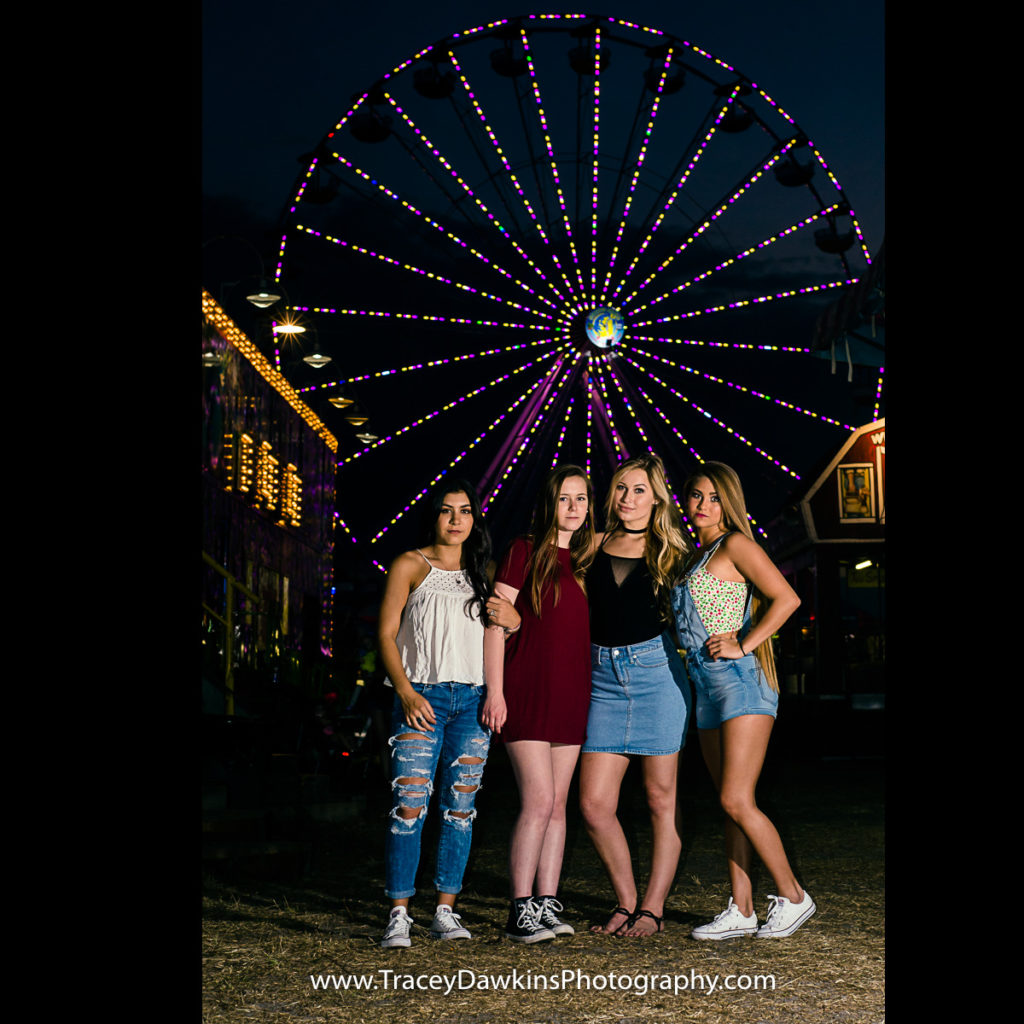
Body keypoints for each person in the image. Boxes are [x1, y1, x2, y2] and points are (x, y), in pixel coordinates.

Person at [672, 461, 814, 940]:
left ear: (728, 501)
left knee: (736, 797)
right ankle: (742, 908)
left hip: (741, 681)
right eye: (695, 495)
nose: (704, 505)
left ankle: (794, 896)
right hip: (704, 682)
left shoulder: (735, 543)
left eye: (713, 497)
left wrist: (744, 642)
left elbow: (787, 598)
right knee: (728, 802)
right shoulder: (695, 556)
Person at [376, 478, 520, 948]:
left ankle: (445, 910)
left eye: (465, 511)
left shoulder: (485, 573)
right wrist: (405, 692)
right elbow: (385, 634)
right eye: (446, 510)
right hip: (422, 697)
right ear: (433, 515)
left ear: (474, 519)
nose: (456, 519)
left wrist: (515, 622)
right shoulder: (410, 564)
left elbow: (504, 630)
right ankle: (399, 912)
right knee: (409, 804)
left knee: (460, 809)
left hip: (473, 703)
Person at [579, 454, 692, 937]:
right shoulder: (591, 546)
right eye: (621, 488)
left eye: (639, 489)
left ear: (658, 497)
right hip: (600, 679)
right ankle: (625, 901)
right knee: (594, 803)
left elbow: (713, 603)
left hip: (657, 677)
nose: (627, 498)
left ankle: (652, 908)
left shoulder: (675, 553)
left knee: (660, 799)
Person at [482, 465, 595, 943]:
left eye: (582, 499)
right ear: (549, 503)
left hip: (572, 693)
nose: (574, 508)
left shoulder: (588, 559)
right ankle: (520, 909)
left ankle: (547, 904)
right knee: (539, 800)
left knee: (559, 806)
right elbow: (494, 621)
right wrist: (495, 691)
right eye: (565, 498)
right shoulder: (524, 550)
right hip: (526, 688)